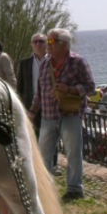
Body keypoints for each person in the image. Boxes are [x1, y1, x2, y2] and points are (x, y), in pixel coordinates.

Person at [29, 28, 95, 200]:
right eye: (47, 42)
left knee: (73, 153)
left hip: (70, 115)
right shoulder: (45, 63)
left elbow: (90, 88)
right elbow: (40, 92)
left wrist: (70, 89)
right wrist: (32, 112)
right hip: (48, 116)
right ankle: (44, 189)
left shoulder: (78, 62)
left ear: (64, 44)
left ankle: (74, 189)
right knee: (44, 155)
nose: (47, 45)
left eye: (51, 42)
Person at [17, 32, 60, 172]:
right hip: (31, 105)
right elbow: (21, 86)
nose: (38, 44)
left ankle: (53, 164)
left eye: (41, 41)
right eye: (35, 42)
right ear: (31, 45)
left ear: (46, 43)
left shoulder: (54, 61)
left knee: (51, 135)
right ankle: (36, 164)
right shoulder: (25, 63)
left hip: (50, 103)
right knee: (34, 135)